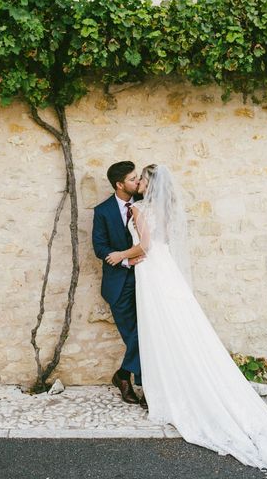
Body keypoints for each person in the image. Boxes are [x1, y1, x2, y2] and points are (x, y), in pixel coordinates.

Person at [104, 164, 267, 471]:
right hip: (162, 271)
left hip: (152, 274)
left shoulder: (140, 210)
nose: (140, 184)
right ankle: (164, 387)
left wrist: (123, 255)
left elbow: (146, 246)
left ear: (150, 184)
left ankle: (167, 392)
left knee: (159, 331)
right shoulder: (164, 208)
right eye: (137, 180)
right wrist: (136, 257)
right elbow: (155, 247)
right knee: (170, 329)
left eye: (143, 180)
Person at [92, 161, 147, 408]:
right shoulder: (102, 211)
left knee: (148, 331)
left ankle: (125, 376)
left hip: (147, 279)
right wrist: (124, 260)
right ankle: (137, 383)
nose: (137, 182)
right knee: (134, 335)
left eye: (138, 178)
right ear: (119, 184)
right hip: (119, 283)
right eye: (133, 179)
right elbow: (100, 247)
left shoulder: (146, 205)